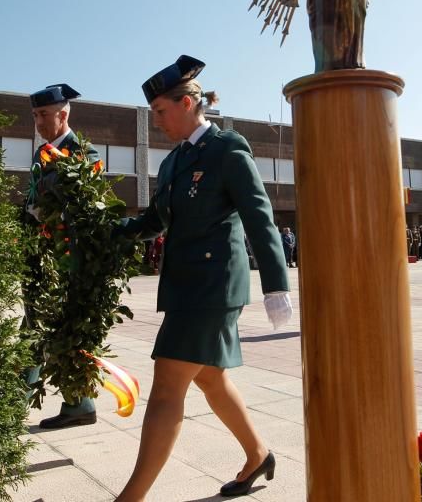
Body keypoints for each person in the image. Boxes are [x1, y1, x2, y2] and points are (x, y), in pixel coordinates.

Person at [115, 55, 292, 501]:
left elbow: (259, 216)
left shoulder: (227, 150)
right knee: (210, 378)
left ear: (190, 101)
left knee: (167, 385)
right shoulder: (174, 163)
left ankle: (129, 498)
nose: (156, 122)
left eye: (160, 111)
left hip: (213, 286)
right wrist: (105, 231)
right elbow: (155, 221)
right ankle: (258, 454)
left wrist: (275, 285)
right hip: (185, 286)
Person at [22, 83, 102, 429]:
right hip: (40, 254)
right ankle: (79, 403)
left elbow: (83, 199)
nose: (38, 122)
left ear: (63, 114)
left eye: (44, 114)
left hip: (67, 258)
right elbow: (31, 202)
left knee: (46, 328)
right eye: (36, 115)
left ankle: (16, 400)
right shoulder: (41, 154)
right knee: (41, 324)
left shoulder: (85, 153)